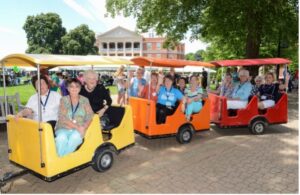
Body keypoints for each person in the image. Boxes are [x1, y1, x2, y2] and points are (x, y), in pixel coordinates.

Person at [55, 78, 93, 157]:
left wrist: (84, 127)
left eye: (77, 86)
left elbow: (90, 115)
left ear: (80, 88)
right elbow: (62, 117)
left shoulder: (85, 100)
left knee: (75, 139)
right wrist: (77, 127)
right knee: (61, 139)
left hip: (80, 128)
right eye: (71, 86)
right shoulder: (64, 100)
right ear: (68, 88)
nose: (74, 89)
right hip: (64, 127)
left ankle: (60, 161)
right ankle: (63, 161)